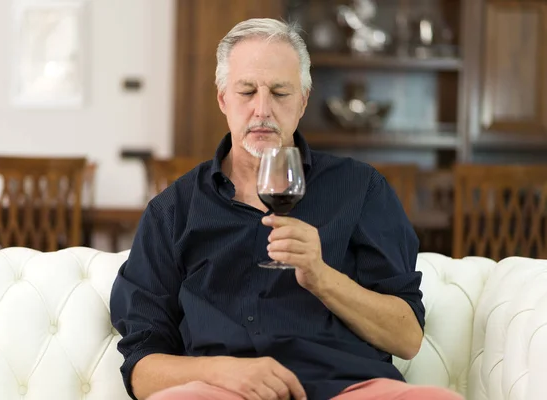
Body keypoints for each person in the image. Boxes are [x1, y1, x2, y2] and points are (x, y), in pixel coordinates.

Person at [110, 18, 463, 400]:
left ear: (303, 102)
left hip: (349, 388)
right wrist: (221, 372)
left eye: (280, 93)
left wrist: (321, 277)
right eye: (247, 91)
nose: (262, 109)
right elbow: (142, 370)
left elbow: (407, 338)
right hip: (222, 392)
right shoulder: (172, 211)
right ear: (223, 99)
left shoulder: (361, 189)